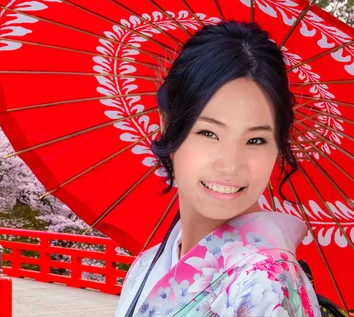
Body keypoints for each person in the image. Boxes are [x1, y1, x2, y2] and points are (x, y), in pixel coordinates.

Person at [115, 21, 347, 317]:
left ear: (278, 144)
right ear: (166, 124)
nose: (230, 164)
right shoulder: (147, 265)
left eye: (255, 139)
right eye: (209, 133)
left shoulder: (266, 283)